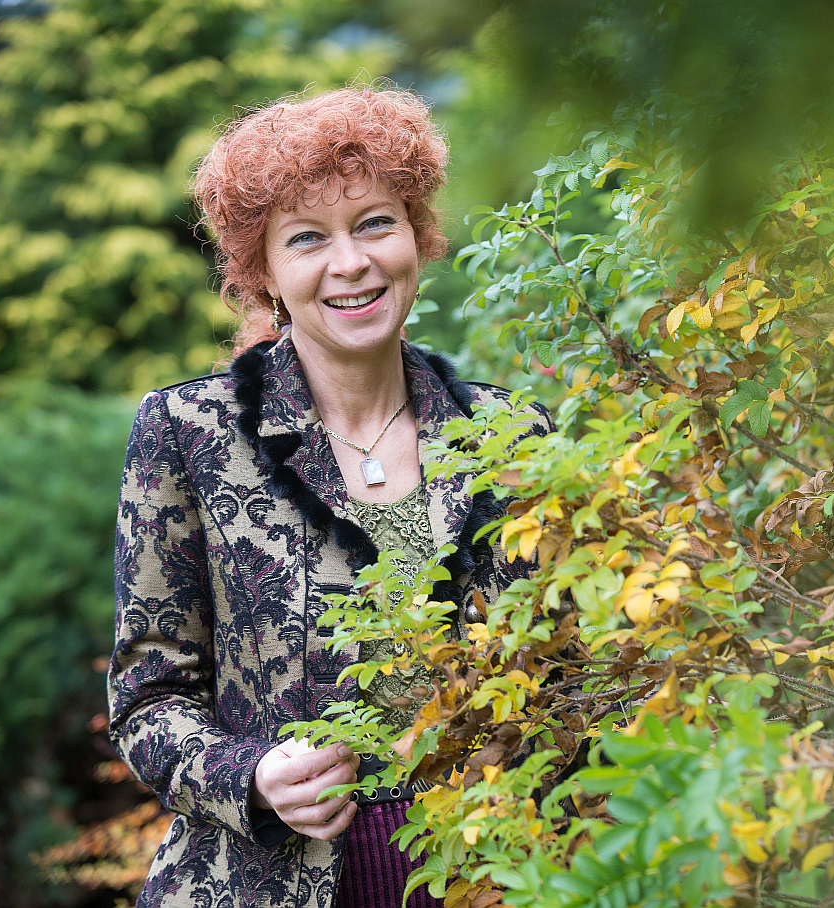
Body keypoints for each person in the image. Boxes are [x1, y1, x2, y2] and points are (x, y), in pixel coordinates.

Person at [108, 87, 550, 908]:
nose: (350, 262)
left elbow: (570, 675)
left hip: (491, 874)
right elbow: (147, 698)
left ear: (416, 235)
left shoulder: (512, 433)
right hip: (265, 880)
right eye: (307, 237)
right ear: (264, 272)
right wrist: (250, 776)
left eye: (375, 223)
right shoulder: (189, 432)